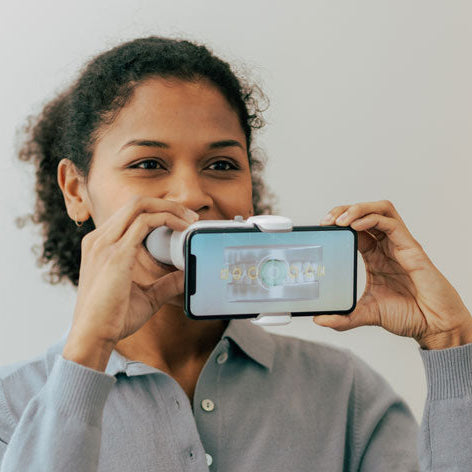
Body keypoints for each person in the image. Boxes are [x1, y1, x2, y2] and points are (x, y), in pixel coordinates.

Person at [0, 36, 470, 472]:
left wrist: (451, 340)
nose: (191, 195)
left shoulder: (346, 396)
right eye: (148, 164)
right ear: (75, 189)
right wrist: (87, 354)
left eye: (222, 164)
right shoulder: (11, 409)